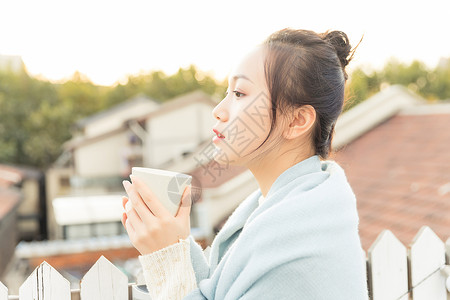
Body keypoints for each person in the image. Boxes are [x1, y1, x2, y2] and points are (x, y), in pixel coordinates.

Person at [122, 28, 369, 299]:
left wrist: (167, 257)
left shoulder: (291, 238)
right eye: (227, 92)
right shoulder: (292, 208)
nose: (219, 110)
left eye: (239, 94)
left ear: (297, 121)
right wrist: (178, 244)